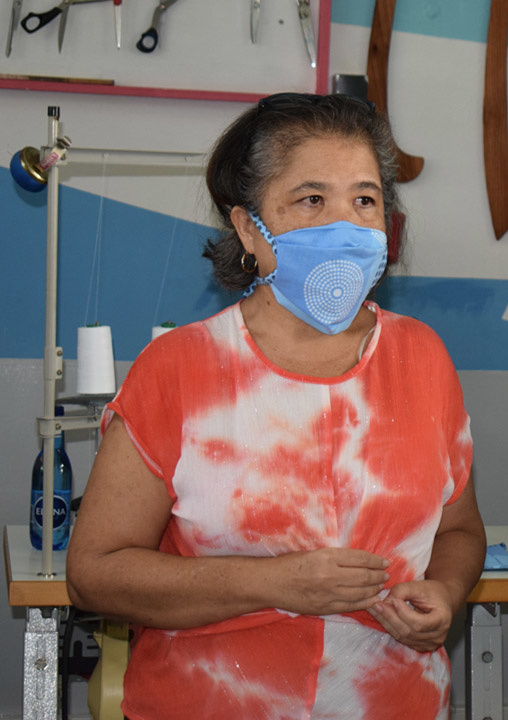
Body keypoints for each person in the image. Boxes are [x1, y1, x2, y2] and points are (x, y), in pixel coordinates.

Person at [66, 93, 485, 720]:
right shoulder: (179, 369)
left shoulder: (422, 358)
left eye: (364, 200)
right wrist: (274, 582)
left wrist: (446, 594)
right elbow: (95, 575)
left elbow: (459, 531)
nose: (345, 225)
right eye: (312, 199)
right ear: (246, 229)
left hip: (393, 701)